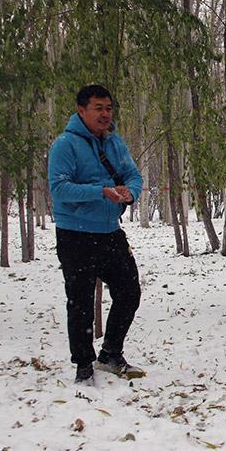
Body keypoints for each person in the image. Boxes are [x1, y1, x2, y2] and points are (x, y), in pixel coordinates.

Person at [48, 84, 144, 384]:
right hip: (75, 234)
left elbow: (133, 175)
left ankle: (111, 354)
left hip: (110, 232)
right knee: (80, 301)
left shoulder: (115, 143)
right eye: (98, 108)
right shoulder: (65, 145)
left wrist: (130, 193)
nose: (105, 114)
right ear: (81, 110)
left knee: (129, 292)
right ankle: (83, 366)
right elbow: (59, 189)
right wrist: (100, 191)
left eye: (109, 108)